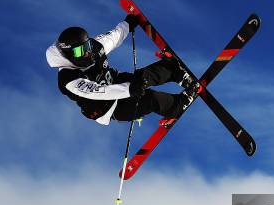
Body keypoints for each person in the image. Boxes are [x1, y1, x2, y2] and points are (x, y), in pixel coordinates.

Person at [46, 15, 199, 125]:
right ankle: (177, 106)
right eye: (80, 51)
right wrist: (129, 90)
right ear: (68, 54)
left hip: (115, 80)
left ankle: (175, 72)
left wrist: (127, 24)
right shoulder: (68, 78)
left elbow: (113, 37)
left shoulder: (95, 47)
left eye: (86, 47)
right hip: (109, 108)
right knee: (150, 99)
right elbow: (98, 92)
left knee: (143, 77)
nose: (86, 53)